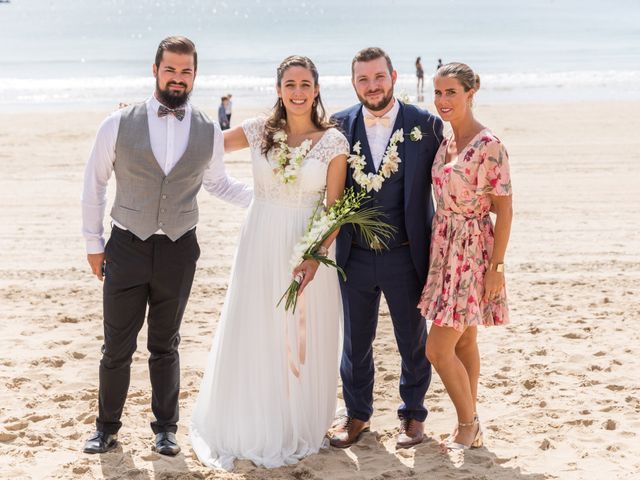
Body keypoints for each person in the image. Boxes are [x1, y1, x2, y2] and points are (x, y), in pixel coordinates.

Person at [80, 36, 252, 456]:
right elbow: (95, 183)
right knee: (116, 345)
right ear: (155, 70)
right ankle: (106, 428)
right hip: (126, 245)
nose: (178, 78)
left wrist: (270, 200)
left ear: (195, 75)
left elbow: (218, 185)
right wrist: (94, 243)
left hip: (179, 248)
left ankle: (165, 429)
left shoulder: (208, 129)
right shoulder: (117, 124)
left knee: (165, 342)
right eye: (171, 69)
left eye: (186, 71)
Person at [190, 55, 349, 470]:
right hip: (259, 240)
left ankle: (294, 421)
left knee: (300, 337)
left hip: (306, 250)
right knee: (256, 326)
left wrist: (315, 258)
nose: (298, 92)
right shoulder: (258, 130)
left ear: (316, 89)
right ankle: (251, 418)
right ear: (278, 89)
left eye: (305, 84)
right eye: (290, 84)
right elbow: (202, 144)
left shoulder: (333, 142)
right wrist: (137, 121)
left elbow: (335, 211)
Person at [330, 47, 443, 449]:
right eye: (363, 79)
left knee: (412, 340)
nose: (372, 86)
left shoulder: (425, 125)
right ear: (354, 83)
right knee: (354, 342)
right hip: (354, 255)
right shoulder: (338, 125)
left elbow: (448, 181)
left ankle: (413, 416)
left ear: (394, 76)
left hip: (406, 253)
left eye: (379, 77)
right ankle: (357, 415)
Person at [418, 62, 513, 450]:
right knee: (463, 343)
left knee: (437, 349)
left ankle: (467, 423)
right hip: (444, 246)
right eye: (438, 93)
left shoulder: (488, 145)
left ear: (471, 93)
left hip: (472, 251)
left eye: (451, 92)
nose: (442, 100)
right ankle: (470, 427)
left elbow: (504, 209)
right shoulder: (446, 141)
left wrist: (497, 269)